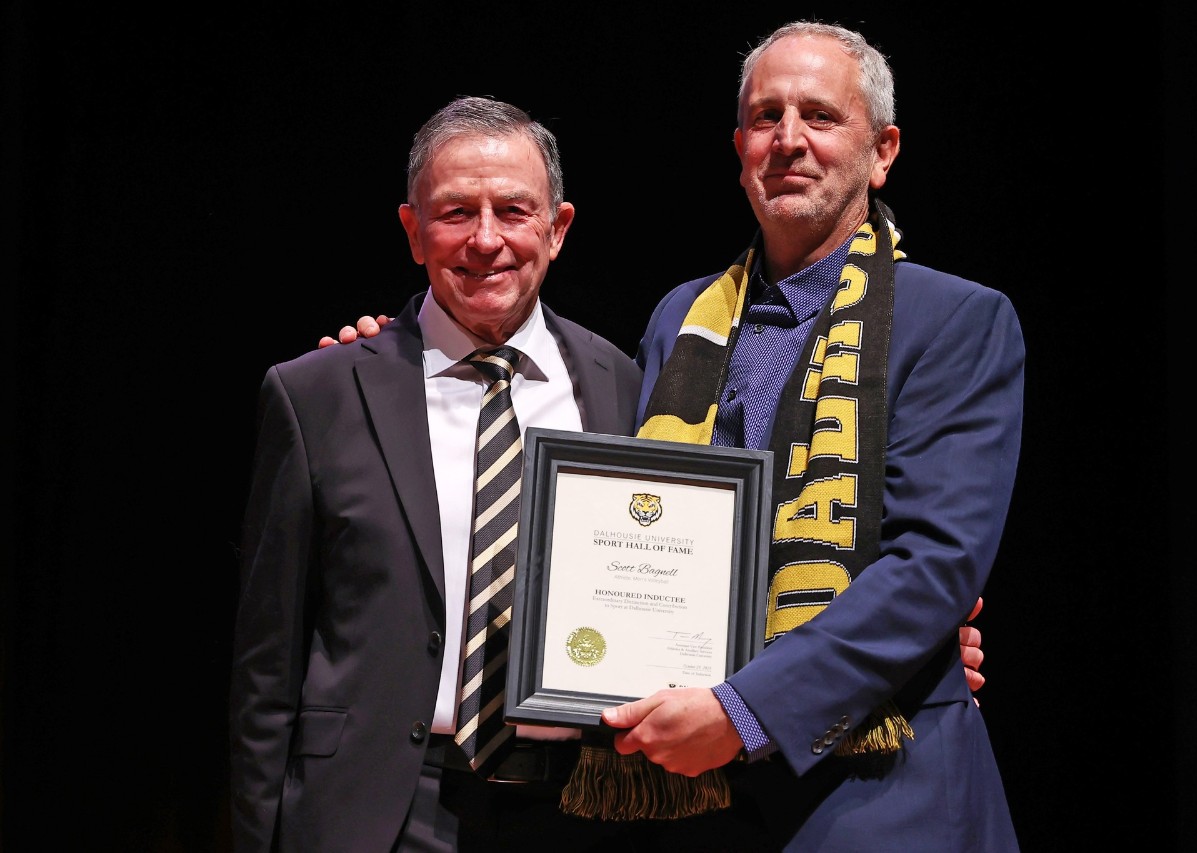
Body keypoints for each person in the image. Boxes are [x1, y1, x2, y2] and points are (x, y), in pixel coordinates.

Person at [331, 19, 1021, 851]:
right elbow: (609, 518)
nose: (788, 140)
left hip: (880, 794)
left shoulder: (955, 321)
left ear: (882, 151)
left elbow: (934, 565)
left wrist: (744, 710)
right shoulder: (680, 322)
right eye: (766, 117)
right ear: (739, 149)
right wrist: (399, 356)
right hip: (694, 803)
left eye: (820, 116)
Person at [229, 96, 647, 852]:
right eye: (456, 212)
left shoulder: (621, 382)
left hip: (575, 806)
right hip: (380, 809)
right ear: (413, 232)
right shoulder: (319, 393)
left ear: (557, 229)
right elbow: (267, 664)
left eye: (514, 211)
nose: (486, 240)